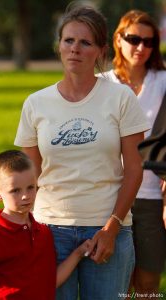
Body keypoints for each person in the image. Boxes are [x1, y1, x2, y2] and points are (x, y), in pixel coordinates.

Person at [14, 4, 150, 300]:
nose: (75, 48)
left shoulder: (121, 98)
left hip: (107, 228)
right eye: (69, 40)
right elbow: (30, 174)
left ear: (101, 50)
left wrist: (112, 228)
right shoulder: (35, 103)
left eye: (85, 42)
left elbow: (135, 169)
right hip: (49, 229)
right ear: (59, 46)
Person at [97, 9, 166, 297]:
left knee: (148, 282)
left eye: (149, 42)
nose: (141, 47)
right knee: (118, 282)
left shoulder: (163, 81)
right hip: (108, 195)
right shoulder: (101, 83)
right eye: (134, 39)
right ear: (118, 39)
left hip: (151, 195)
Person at [0, 150, 94, 300]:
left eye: (30, 187)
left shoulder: (43, 232)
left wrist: (78, 253)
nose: (25, 196)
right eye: (15, 190)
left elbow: (50, 282)